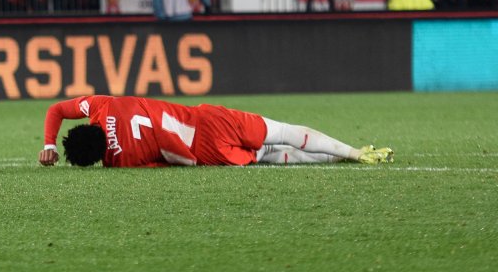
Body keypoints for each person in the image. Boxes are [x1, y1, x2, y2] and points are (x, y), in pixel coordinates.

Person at [38, 95, 394, 168]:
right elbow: (56, 109)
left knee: (271, 156)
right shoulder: (102, 106)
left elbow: (161, 163)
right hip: (207, 119)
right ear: (86, 125)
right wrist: (49, 143)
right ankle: (354, 152)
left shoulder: (119, 161)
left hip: (205, 153)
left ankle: (337, 160)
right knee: (283, 132)